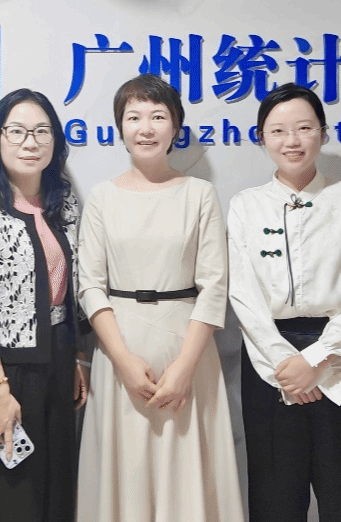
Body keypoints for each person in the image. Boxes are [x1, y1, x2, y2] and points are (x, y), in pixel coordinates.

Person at [76, 74, 244, 522]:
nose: (145, 128)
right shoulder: (102, 198)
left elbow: (214, 286)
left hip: (186, 351)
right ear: (120, 127)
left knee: (186, 476)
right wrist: (122, 361)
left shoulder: (200, 194)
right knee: (125, 477)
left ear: (175, 127)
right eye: (134, 117)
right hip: (120, 353)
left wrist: (185, 368)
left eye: (157, 116)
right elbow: (89, 285)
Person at [227, 83, 341, 521]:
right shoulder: (245, 206)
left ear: (323, 132)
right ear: (261, 137)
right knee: (275, 497)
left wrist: (316, 360)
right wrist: (288, 366)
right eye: (278, 131)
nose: (291, 141)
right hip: (269, 362)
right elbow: (243, 296)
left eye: (304, 128)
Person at [0, 89, 89, 522]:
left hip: (58, 362)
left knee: (55, 495)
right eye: (17, 131)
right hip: (1, 372)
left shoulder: (64, 203)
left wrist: (78, 358)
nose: (30, 143)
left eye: (42, 132)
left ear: (55, 141)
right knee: (8, 499)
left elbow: (74, 288)